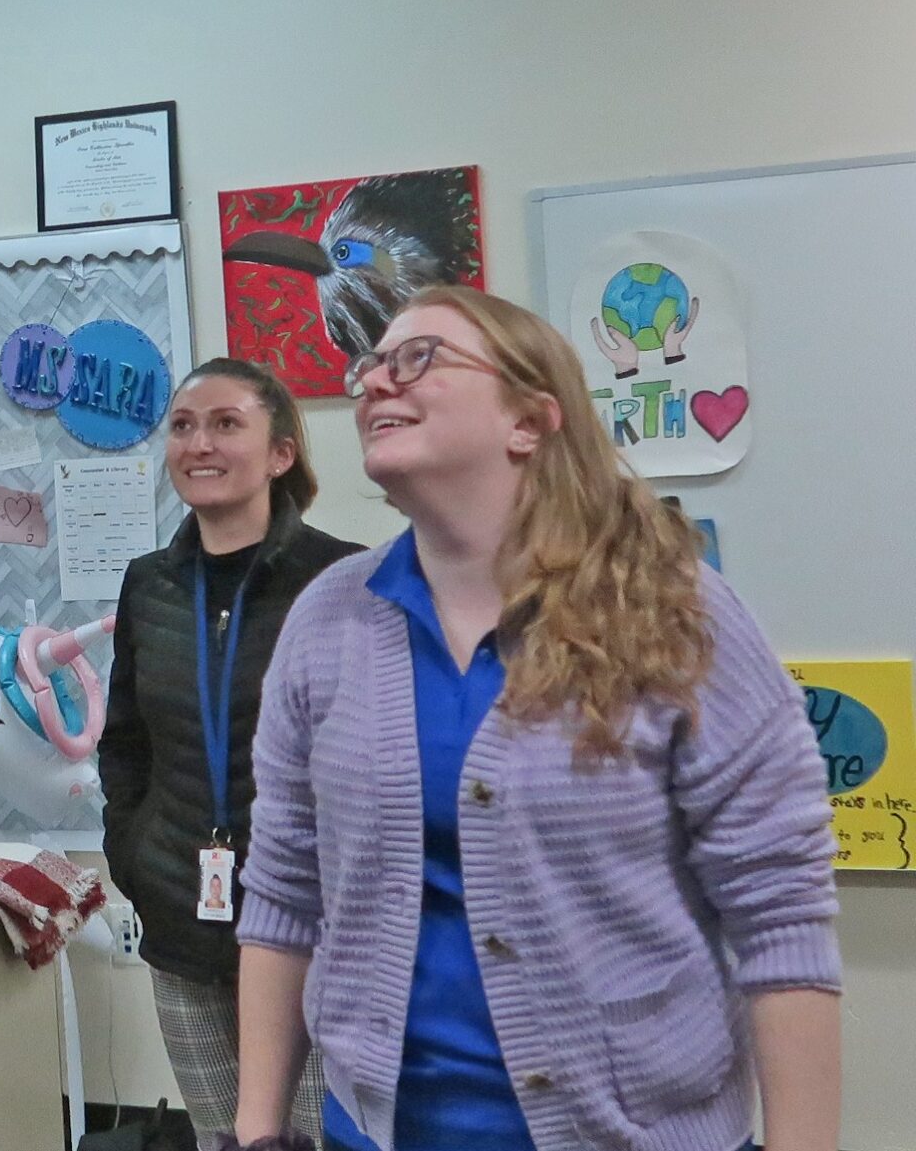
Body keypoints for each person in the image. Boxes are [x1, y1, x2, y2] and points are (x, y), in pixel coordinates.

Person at [230, 286, 839, 1151]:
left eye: (418, 357)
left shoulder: (673, 609)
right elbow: (286, 891)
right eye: (369, 365)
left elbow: (780, 915)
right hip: (376, 1134)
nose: (372, 383)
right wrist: (257, 1135)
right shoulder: (330, 617)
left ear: (529, 418)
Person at [99, 358, 358, 1143]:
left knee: (323, 1138)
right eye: (182, 425)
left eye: (225, 423)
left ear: (280, 452)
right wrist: (134, 857)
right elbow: (125, 741)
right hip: (183, 918)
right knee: (223, 1137)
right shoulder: (149, 584)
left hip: (317, 931)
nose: (198, 442)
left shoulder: (342, 578)